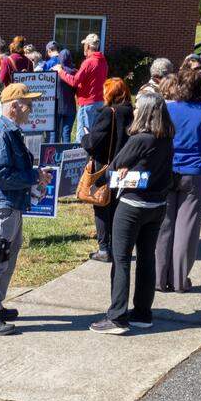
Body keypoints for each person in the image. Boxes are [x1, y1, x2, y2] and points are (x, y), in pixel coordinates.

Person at [89, 93, 175, 335]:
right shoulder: (166, 138)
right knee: (147, 258)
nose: (134, 111)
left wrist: (124, 167)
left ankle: (117, 316)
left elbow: (114, 167)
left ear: (146, 112)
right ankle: (142, 313)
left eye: (138, 107)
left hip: (132, 205)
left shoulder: (141, 139)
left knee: (121, 259)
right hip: (157, 206)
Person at [0, 83, 52, 336]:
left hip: (10, 203)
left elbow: (10, 170)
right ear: (15, 105)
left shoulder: (10, 131)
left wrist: (35, 176)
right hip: (1, 203)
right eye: (27, 103)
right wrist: (32, 176)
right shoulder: (2, 132)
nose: (31, 107)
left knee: (7, 255)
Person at [156, 69, 201, 293]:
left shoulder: (166, 109)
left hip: (166, 170)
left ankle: (158, 279)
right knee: (186, 228)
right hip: (195, 173)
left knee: (163, 226)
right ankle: (178, 280)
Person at [80, 77, 134, 262]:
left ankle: (104, 249)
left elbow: (94, 144)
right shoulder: (130, 112)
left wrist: (85, 137)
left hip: (104, 166)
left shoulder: (108, 113)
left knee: (101, 205)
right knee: (118, 207)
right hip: (125, 166)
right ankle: (118, 245)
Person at [55, 33, 108, 138]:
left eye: (84, 45)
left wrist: (60, 71)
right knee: (93, 136)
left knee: (82, 138)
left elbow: (74, 81)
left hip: (87, 104)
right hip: (100, 102)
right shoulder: (103, 61)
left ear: (88, 46)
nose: (83, 47)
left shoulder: (88, 62)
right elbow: (92, 77)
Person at [54, 48, 78, 142]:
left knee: (55, 133)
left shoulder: (56, 71)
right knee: (66, 133)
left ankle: (53, 155)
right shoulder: (75, 72)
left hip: (57, 106)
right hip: (70, 106)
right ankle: (66, 154)